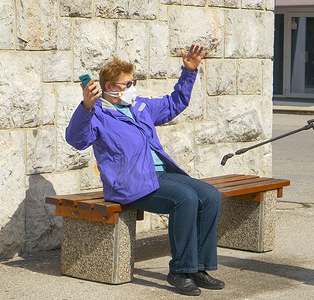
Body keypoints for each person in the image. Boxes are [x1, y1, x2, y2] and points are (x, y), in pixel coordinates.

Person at [65, 44, 224, 296]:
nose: (132, 88)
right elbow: (76, 140)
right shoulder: (97, 114)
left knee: (210, 195)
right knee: (185, 199)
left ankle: (198, 267)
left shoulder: (140, 107)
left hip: (160, 174)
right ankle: (180, 271)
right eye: (127, 84)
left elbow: (175, 103)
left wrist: (188, 71)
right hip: (129, 182)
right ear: (109, 87)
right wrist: (85, 107)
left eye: (132, 82)